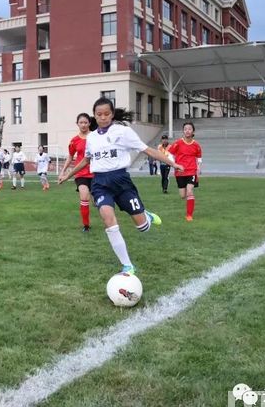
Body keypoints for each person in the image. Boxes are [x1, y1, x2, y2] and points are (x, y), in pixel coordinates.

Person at [58, 97, 183, 275]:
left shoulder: (123, 132)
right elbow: (86, 160)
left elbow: (147, 150)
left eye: (106, 114)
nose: (103, 117)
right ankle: (127, 266)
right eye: (99, 114)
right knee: (108, 219)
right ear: (94, 115)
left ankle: (145, 215)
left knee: (143, 227)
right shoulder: (91, 138)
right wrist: (67, 175)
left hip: (121, 181)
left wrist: (172, 163)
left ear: (113, 114)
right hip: (100, 183)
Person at [59, 113, 96, 232]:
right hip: (81, 174)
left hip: (96, 173)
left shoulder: (96, 137)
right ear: (77, 124)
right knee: (84, 196)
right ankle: (86, 226)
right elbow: (70, 157)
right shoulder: (74, 141)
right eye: (81, 122)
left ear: (89, 123)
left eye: (86, 122)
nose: (84, 125)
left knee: (98, 203)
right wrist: (63, 171)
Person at [167, 122, 203, 222]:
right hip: (180, 172)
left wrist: (198, 168)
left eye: (189, 129)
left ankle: (189, 215)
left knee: (190, 191)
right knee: (183, 195)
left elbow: (199, 158)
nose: (187, 130)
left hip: (191, 171)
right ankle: (189, 198)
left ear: (193, 131)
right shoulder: (178, 143)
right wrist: (174, 164)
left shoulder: (196, 145)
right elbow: (170, 155)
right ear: (183, 131)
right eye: (185, 129)